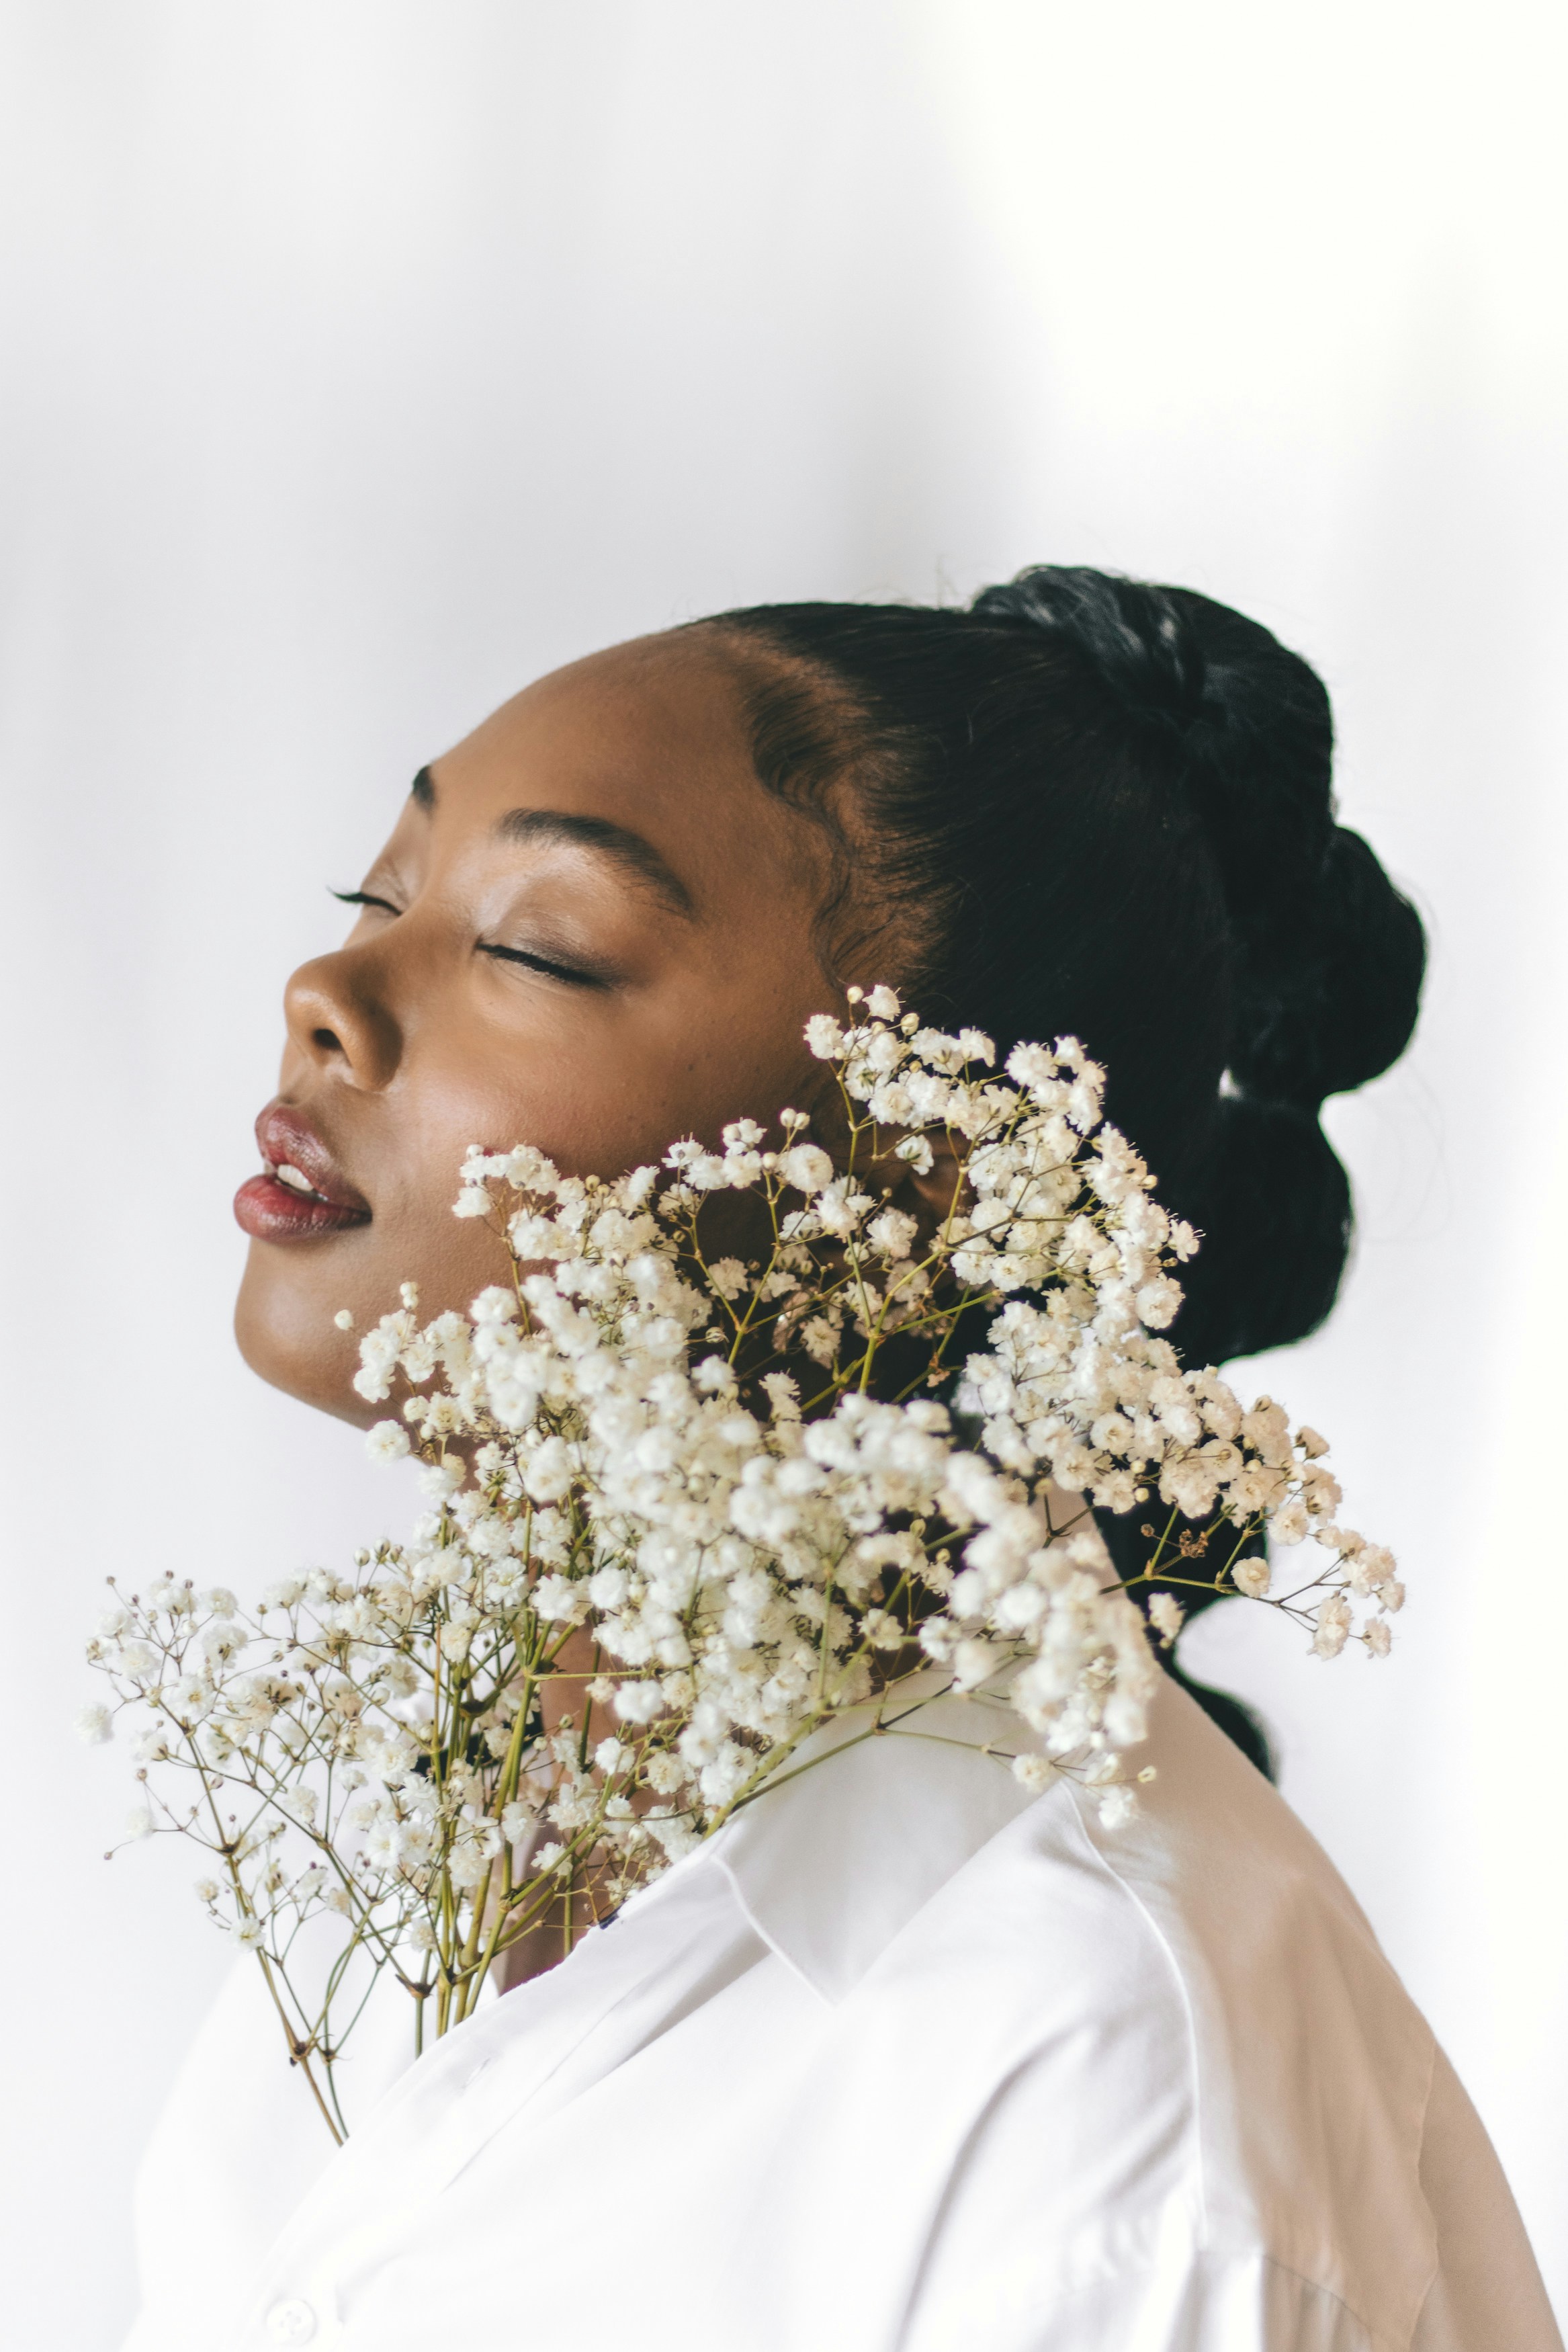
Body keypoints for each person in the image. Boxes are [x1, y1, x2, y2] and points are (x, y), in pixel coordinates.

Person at [126, 570, 1561, 2351]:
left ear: (934, 1177)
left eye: (537, 946)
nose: (326, 988)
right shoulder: (421, 1809)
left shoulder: (1104, 2114)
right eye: (382, 891)